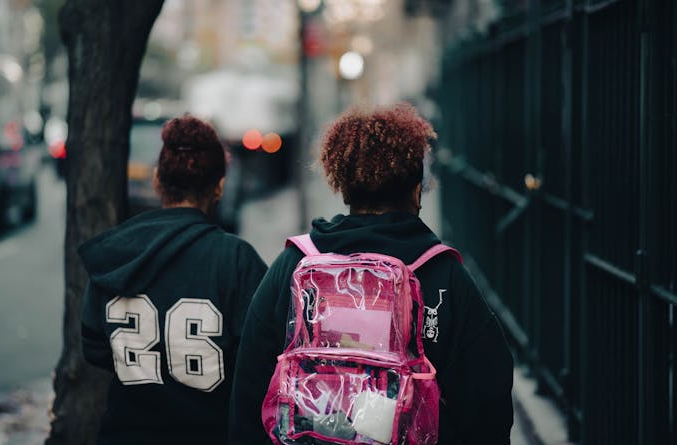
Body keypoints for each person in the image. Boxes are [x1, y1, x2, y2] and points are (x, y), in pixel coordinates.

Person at [229, 103, 514, 444]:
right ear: (416, 189)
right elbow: (488, 402)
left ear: (344, 189)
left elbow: (249, 387)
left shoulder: (293, 266)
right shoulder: (444, 275)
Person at [80, 115, 267, 444]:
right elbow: (260, 356)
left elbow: (94, 347)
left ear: (156, 180)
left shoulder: (114, 253)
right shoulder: (237, 260)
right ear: (219, 187)